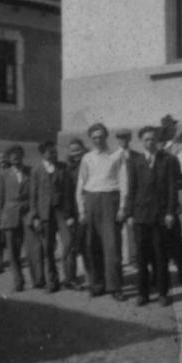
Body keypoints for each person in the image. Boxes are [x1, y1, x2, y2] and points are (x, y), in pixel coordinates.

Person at [125, 126, 180, 306]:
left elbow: (173, 188)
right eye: (146, 139)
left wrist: (171, 212)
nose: (150, 142)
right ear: (142, 142)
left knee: (160, 255)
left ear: (158, 141)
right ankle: (143, 294)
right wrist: (130, 214)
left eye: (153, 139)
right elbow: (131, 189)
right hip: (141, 216)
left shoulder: (168, 160)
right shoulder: (135, 162)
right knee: (141, 256)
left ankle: (163, 293)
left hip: (160, 216)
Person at [76, 122, 128, 301]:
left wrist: (122, 207)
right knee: (92, 246)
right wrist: (82, 211)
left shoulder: (117, 154)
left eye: (100, 136)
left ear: (106, 136)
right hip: (91, 201)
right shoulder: (87, 158)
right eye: (94, 138)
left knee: (112, 247)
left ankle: (115, 287)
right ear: (90, 139)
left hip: (110, 201)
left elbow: (124, 181)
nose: (97, 140)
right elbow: (81, 185)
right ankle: (97, 284)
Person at [29, 140, 75, 293]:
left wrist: (70, 214)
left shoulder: (63, 167)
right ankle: (52, 282)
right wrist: (35, 216)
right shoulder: (36, 170)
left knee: (68, 243)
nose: (54, 154)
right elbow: (33, 195)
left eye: (54, 151)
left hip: (61, 212)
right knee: (48, 248)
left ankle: (70, 279)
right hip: (44, 214)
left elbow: (69, 192)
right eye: (50, 152)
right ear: (43, 154)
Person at [158, 114, 182, 284]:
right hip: (156, 205)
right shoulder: (149, 160)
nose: (159, 145)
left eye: (161, 142)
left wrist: (175, 204)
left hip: (171, 202)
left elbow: (176, 180)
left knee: (176, 239)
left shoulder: (171, 158)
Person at [0, 145, 32, 292]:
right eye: (12, 156)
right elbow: (0, 199)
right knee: (13, 251)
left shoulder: (30, 172)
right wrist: (1, 218)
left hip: (27, 213)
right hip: (10, 215)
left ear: (22, 156)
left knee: (31, 248)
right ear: (9, 159)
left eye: (18, 155)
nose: (15, 158)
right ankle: (18, 280)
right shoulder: (3, 174)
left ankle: (38, 279)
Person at [63, 138, 88, 288]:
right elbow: (67, 194)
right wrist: (69, 216)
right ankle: (70, 278)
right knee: (71, 247)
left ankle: (92, 277)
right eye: (73, 151)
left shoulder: (90, 164)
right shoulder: (68, 170)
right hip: (74, 212)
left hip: (89, 210)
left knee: (89, 245)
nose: (76, 154)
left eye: (78, 150)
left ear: (84, 149)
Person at [116, 128, 137, 268]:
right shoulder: (112, 156)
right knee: (119, 230)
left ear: (130, 138)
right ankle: (121, 260)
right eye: (120, 138)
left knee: (133, 227)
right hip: (117, 196)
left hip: (134, 195)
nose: (123, 140)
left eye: (125, 137)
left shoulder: (136, 156)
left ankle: (135, 258)